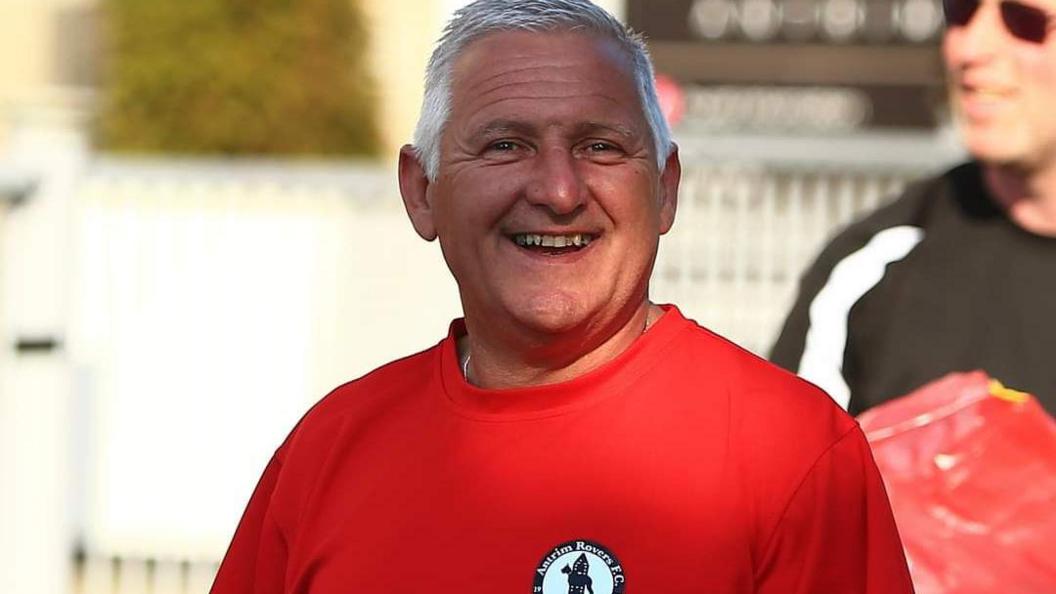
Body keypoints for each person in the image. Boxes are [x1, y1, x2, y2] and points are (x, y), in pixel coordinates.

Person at [210, 1, 913, 592]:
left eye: (601, 147)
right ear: (422, 192)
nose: (558, 191)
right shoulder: (326, 454)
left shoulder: (793, 454)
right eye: (505, 145)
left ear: (665, 188)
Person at [770, 0, 1056, 416]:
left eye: (1023, 20)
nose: (968, 47)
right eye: (959, 11)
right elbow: (790, 473)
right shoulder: (874, 268)